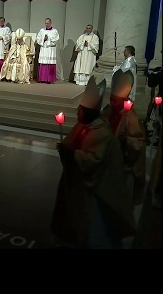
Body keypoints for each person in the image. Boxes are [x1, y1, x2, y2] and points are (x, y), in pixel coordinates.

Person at [51, 76, 135, 249]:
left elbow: (93, 161)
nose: (77, 112)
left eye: (80, 109)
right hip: (75, 185)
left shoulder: (101, 133)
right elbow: (69, 145)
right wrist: (65, 150)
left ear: (88, 112)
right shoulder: (82, 126)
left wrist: (73, 154)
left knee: (93, 229)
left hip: (92, 192)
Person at [104, 69, 146, 207]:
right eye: (111, 99)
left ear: (124, 101)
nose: (112, 103)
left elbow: (137, 143)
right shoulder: (108, 112)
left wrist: (125, 140)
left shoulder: (131, 118)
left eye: (115, 101)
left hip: (123, 163)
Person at [35, 18, 60, 83]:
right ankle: (42, 78)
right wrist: (43, 39)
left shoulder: (54, 31)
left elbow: (56, 40)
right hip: (44, 49)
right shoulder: (42, 30)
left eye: (48, 23)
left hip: (50, 50)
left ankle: (50, 79)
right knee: (43, 63)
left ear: (51, 23)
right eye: (45, 23)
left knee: (50, 63)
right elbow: (38, 39)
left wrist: (48, 38)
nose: (46, 24)